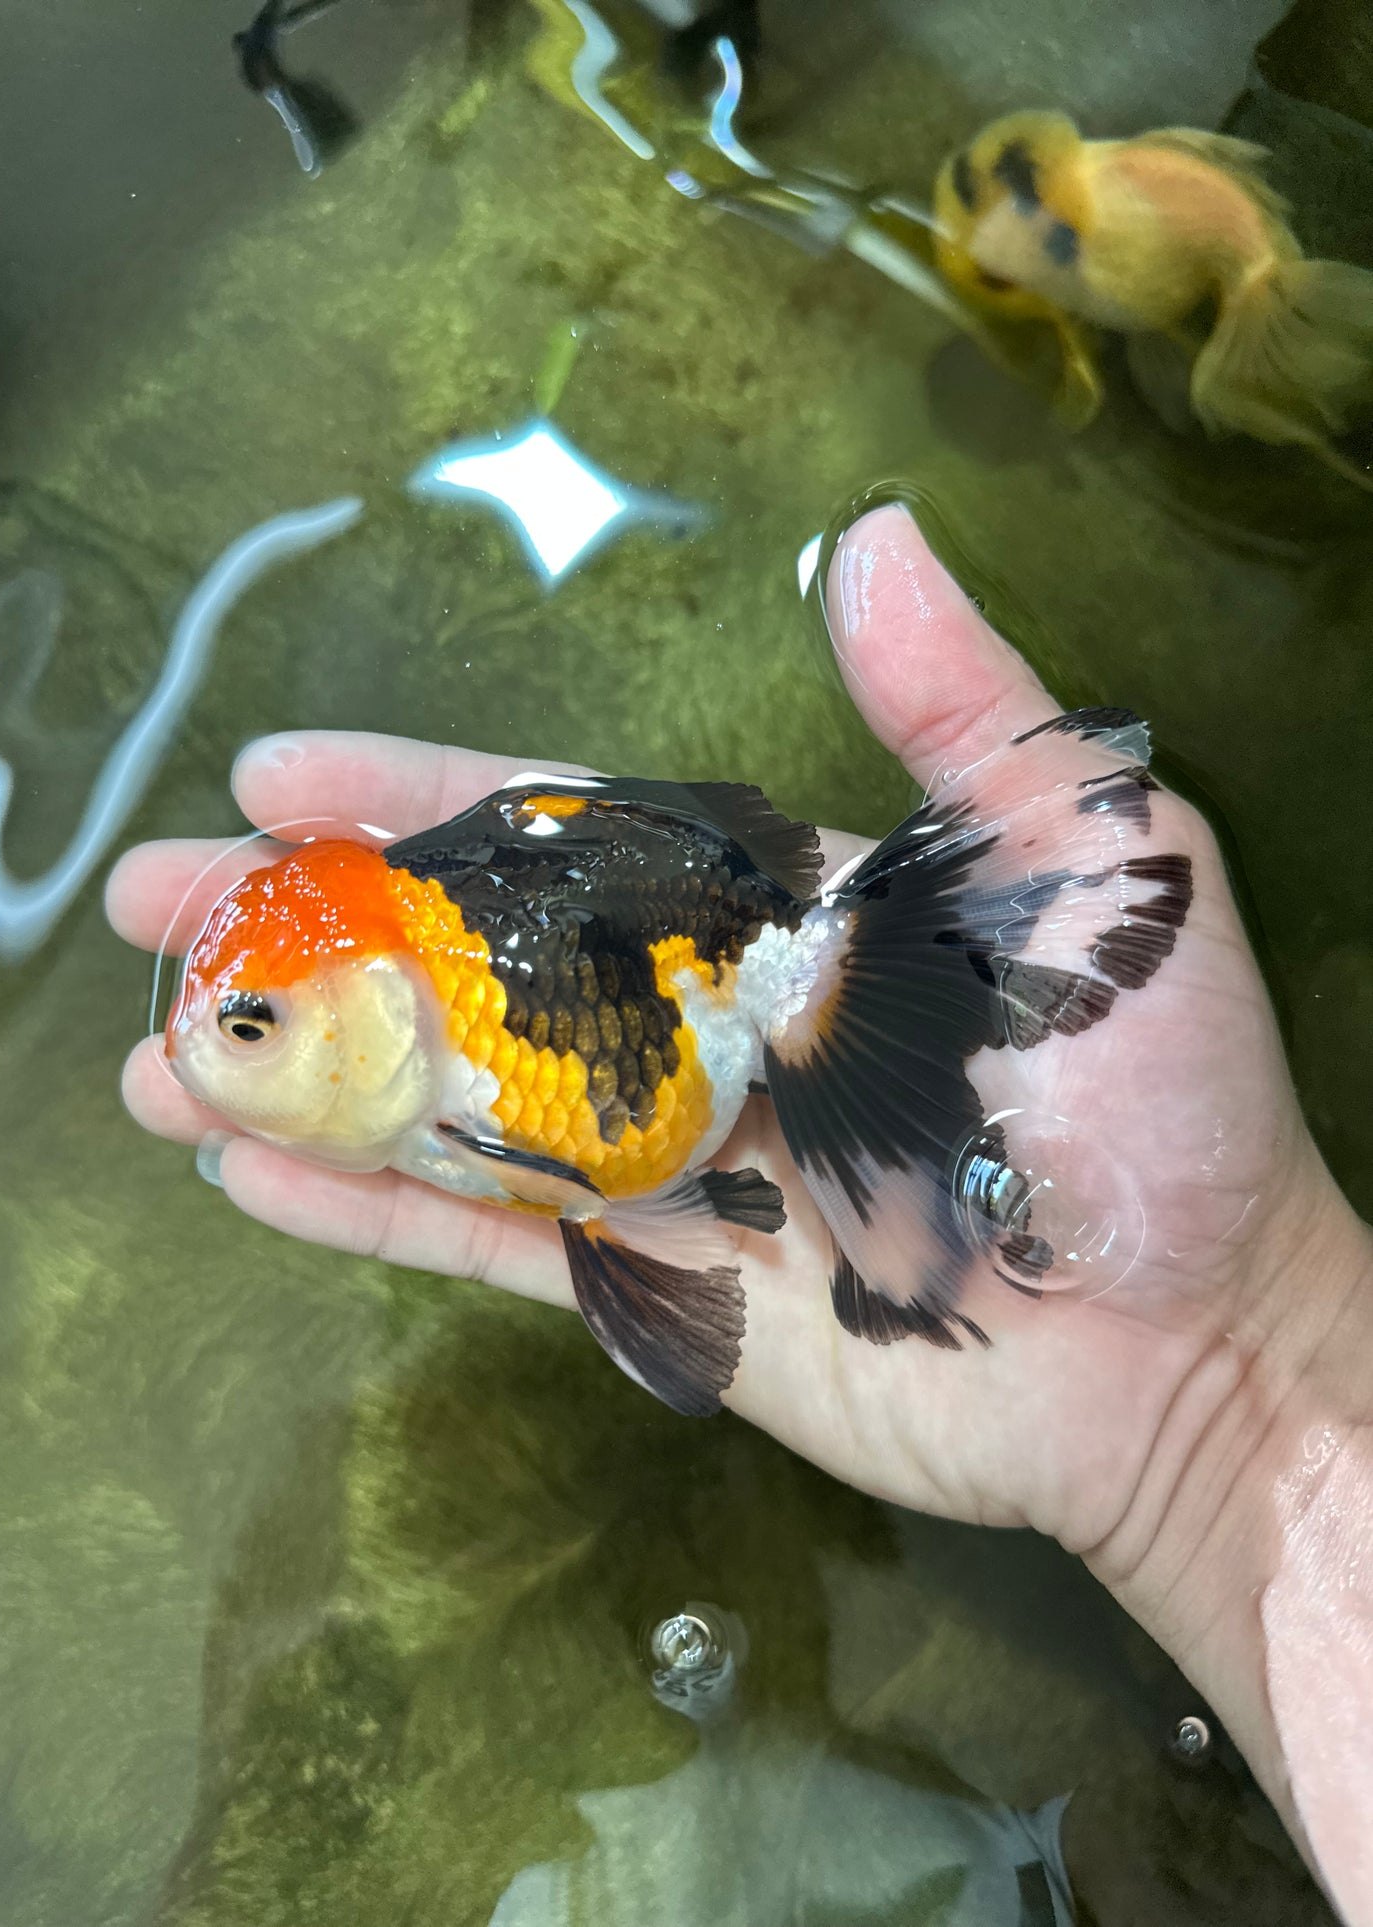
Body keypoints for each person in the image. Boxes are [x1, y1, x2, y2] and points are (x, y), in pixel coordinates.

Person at [108, 504, 1373, 1922]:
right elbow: (611, 1193)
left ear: (377, 1014)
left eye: (258, 1028)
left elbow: (605, 1168)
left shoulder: (459, 1083)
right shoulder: (427, 1072)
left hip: (716, 992)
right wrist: (1246, 1412)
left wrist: (1248, 1376)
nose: (219, 1054)